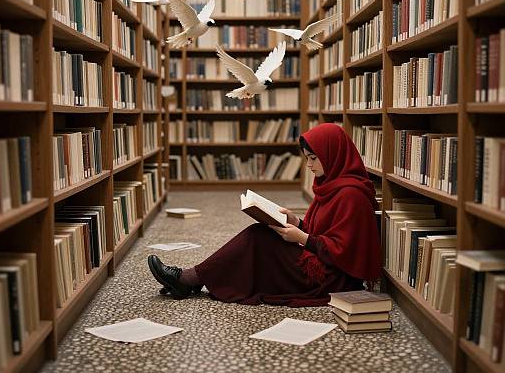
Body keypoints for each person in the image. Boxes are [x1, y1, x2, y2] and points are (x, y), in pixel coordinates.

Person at [148, 123, 382, 306]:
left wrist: (301, 237)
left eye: (313, 158)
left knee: (258, 239)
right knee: (260, 235)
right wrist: (296, 221)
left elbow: (345, 253)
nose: (309, 165)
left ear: (334, 154)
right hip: (317, 258)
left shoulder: (351, 195)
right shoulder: (331, 184)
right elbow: (322, 231)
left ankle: (187, 280)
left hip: (332, 277)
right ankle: (193, 279)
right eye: (306, 158)